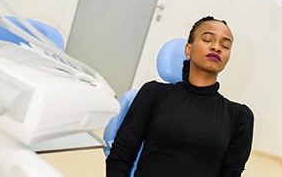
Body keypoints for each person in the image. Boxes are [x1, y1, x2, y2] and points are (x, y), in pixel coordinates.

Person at [106, 16, 254, 177]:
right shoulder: (154, 93)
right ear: (188, 49)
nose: (216, 47)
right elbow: (120, 155)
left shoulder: (239, 117)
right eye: (207, 39)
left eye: (225, 45)